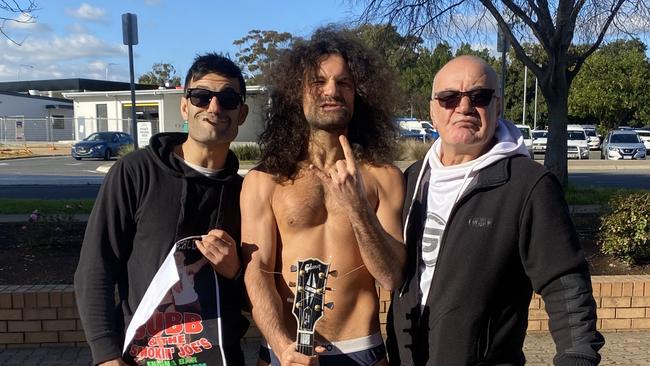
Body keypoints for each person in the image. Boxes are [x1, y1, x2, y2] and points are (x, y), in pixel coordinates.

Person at [386, 55, 605, 365]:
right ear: (432, 110)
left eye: (479, 96)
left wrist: (577, 355)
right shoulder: (411, 179)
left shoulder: (528, 184)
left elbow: (565, 282)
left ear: (497, 106)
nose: (463, 107)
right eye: (449, 98)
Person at [242, 27, 406, 366]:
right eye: (318, 81)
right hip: (285, 353)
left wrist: (358, 207)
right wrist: (282, 345)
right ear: (296, 92)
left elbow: (392, 276)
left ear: (358, 94)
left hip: (362, 352)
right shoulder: (265, 180)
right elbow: (256, 270)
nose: (332, 91)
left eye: (344, 83)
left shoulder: (384, 177)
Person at [74, 53, 250, 366]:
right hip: (141, 357)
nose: (214, 107)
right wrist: (106, 355)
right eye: (201, 96)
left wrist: (236, 272)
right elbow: (96, 268)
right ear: (185, 106)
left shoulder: (246, 194)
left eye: (228, 99)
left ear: (242, 113)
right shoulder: (136, 172)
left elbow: (259, 295)